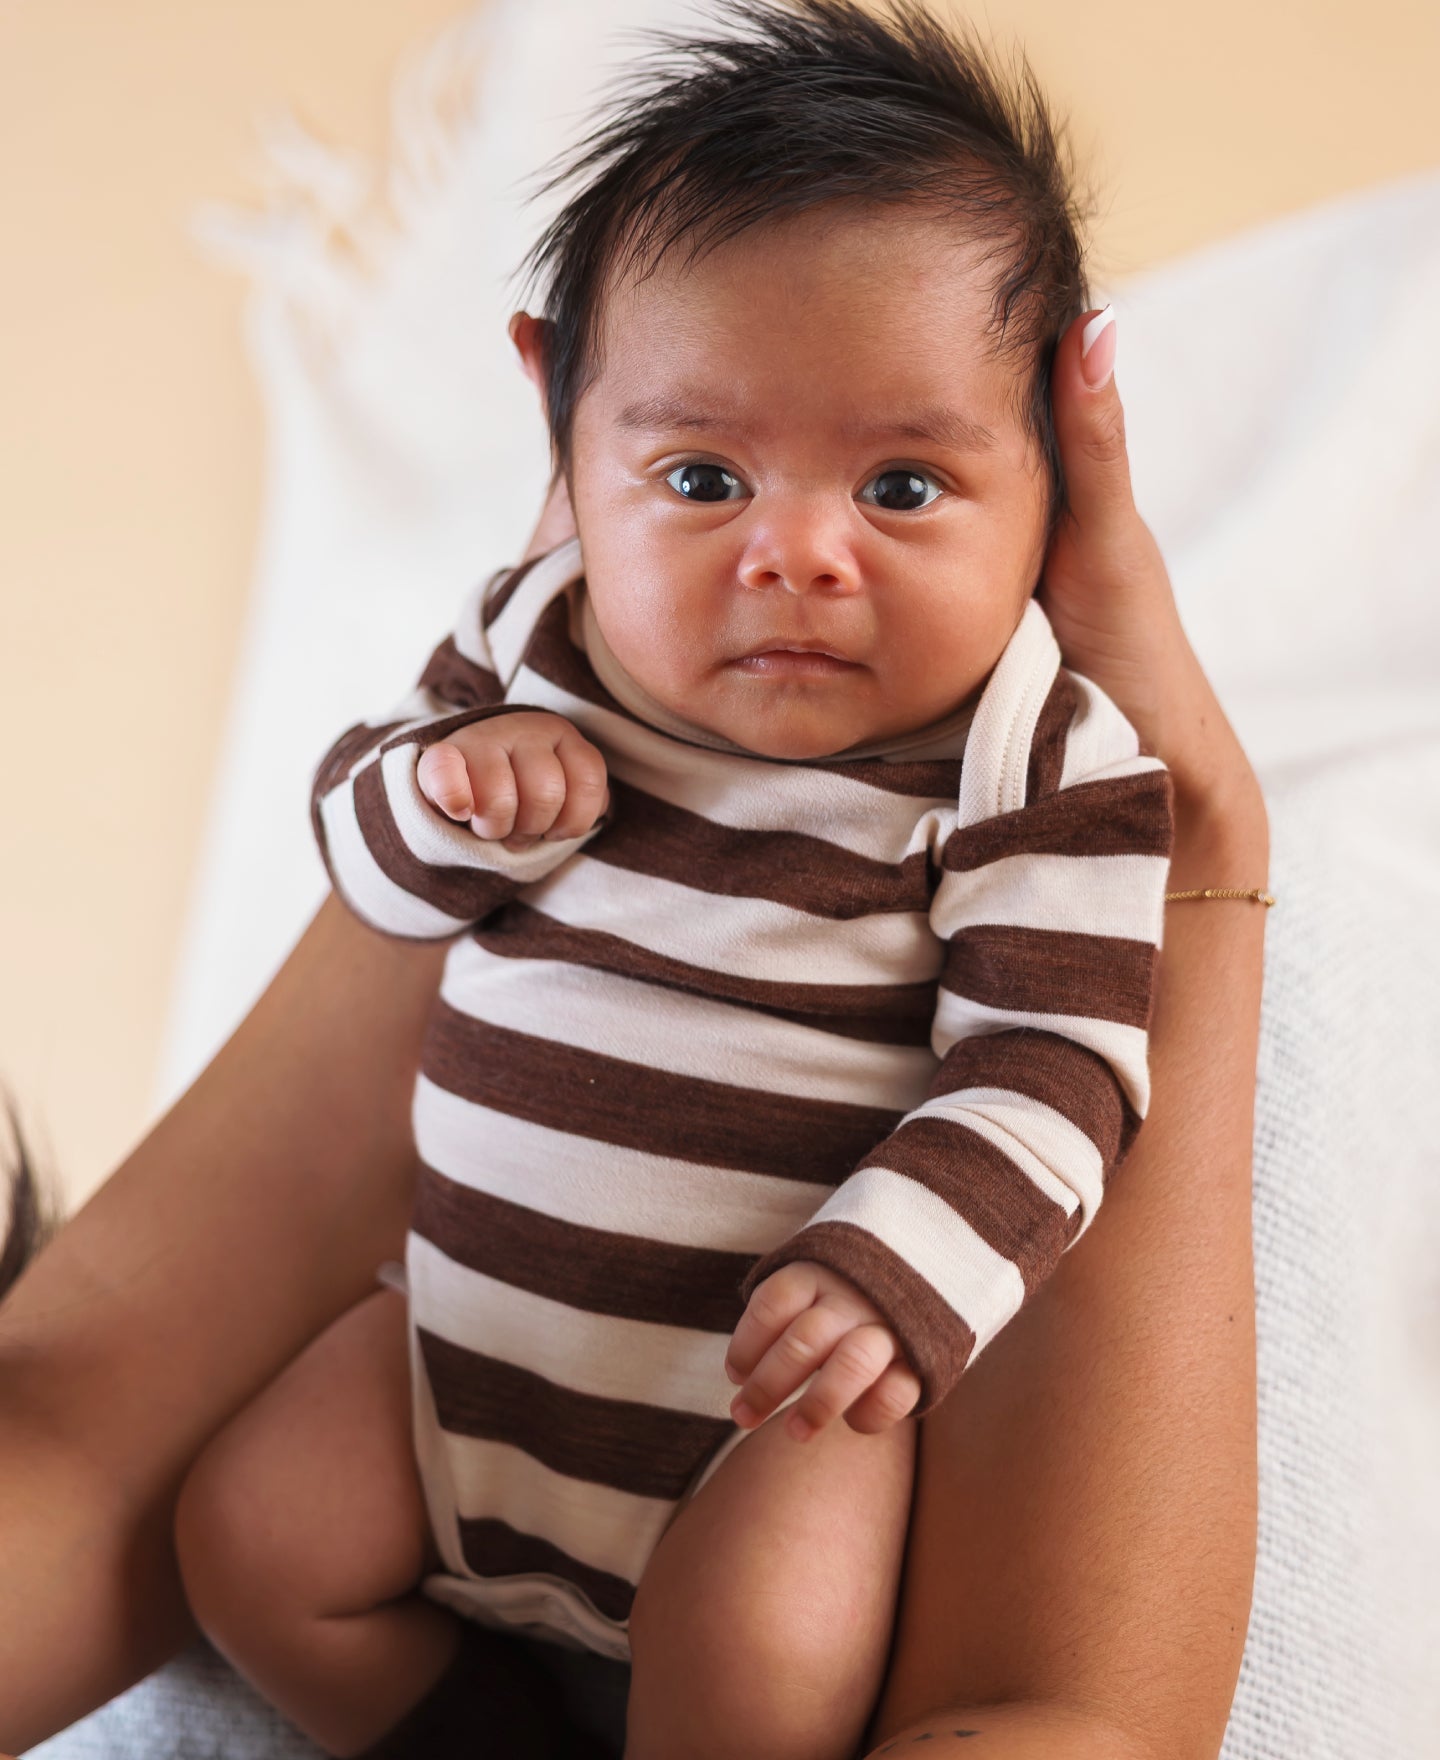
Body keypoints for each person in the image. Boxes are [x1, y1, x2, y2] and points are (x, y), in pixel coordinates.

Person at [0, 9, 1268, 1760]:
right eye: (699, 476)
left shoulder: (1030, 758)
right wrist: (446, 805)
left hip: (763, 1400)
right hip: (463, 1345)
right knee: (256, 1537)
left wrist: (897, 1273)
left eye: (904, 485)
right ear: (559, 422)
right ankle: (470, 1728)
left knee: (754, 1677)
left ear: (1054, 475)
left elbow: (1059, 1066)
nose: (798, 550)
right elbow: (362, 843)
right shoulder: (534, 646)